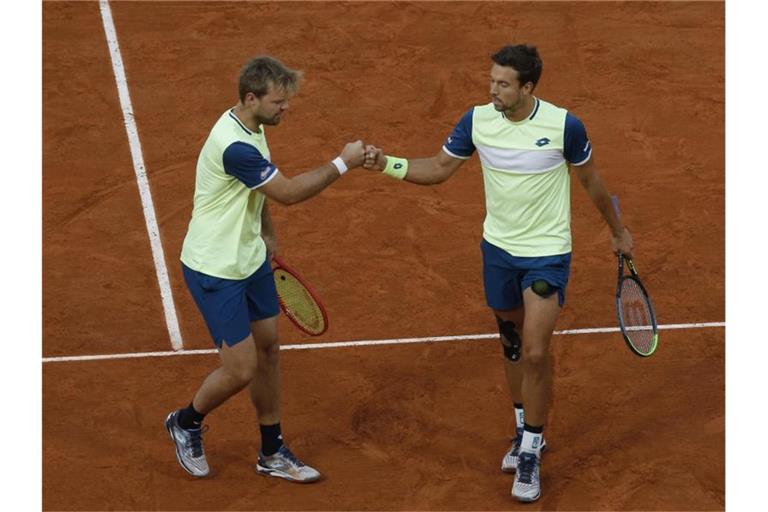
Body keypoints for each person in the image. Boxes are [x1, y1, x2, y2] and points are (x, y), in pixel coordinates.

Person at [363, 44, 634, 502]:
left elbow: (591, 181)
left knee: (534, 350)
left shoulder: (564, 126)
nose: (493, 89)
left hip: (547, 254)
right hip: (498, 251)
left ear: (528, 87)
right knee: (511, 345)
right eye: (492, 80)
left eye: (503, 83)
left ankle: (530, 451)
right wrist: (385, 163)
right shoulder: (477, 121)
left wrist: (617, 230)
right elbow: (439, 168)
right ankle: (525, 428)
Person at [166, 56, 366, 483]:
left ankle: (272, 452)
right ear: (251, 97)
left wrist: (266, 231)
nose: (286, 108)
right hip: (215, 268)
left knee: (269, 350)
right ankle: (186, 421)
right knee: (241, 368)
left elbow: (259, 195)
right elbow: (288, 192)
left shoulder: (251, 125)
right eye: (279, 101)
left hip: (249, 258)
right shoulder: (234, 145)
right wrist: (344, 162)